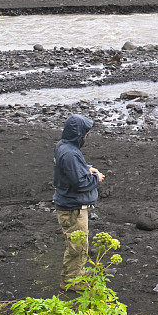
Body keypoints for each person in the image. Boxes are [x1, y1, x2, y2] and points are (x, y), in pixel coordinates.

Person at [53, 114, 104, 290]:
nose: (86, 137)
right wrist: (96, 178)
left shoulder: (64, 146)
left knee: (80, 243)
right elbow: (80, 182)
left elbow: (69, 170)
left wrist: (85, 168)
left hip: (69, 204)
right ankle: (70, 280)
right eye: (85, 133)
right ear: (78, 133)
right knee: (77, 245)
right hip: (72, 208)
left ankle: (77, 273)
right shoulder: (70, 154)